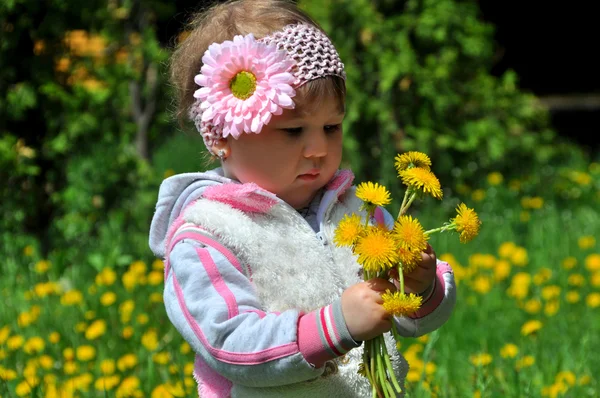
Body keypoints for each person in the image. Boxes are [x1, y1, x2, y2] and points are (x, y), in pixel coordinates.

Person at [149, 0, 456, 396]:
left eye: (331, 126)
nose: (318, 148)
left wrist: (422, 286)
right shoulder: (208, 233)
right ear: (222, 136)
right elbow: (228, 342)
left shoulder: (355, 209)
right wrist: (335, 326)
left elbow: (414, 319)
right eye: (294, 131)